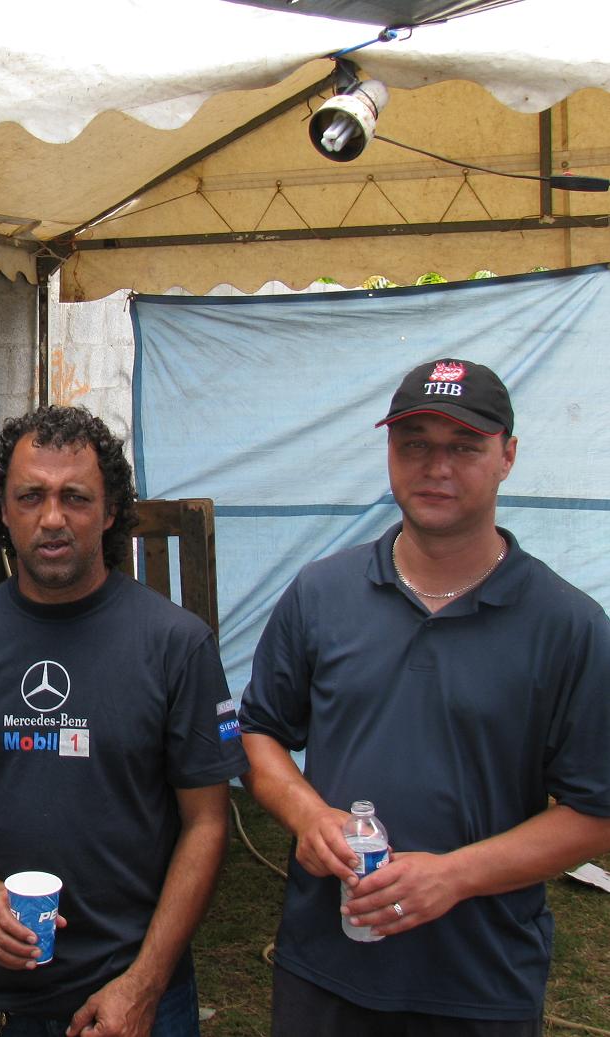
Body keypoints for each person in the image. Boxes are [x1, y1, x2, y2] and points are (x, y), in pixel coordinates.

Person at [239, 358, 610, 1036]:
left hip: (478, 979)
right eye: (413, 444)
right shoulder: (321, 594)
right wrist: (307, 813)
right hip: (324, 966)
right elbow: (259, 730)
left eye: (463, 445)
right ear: (387, 452)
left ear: (507, 455)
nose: (435, 465)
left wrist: (455, 875)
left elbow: (595, 811)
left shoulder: (567, 626)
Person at [0, 405, 246, 1037]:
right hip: (2, 996)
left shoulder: (175, 645)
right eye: (30, 496)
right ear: (2, 508)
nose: (52, 518)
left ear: (110, 513)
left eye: (75, 497)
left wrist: (144, 984)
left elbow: (206, 823)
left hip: (138, 994)